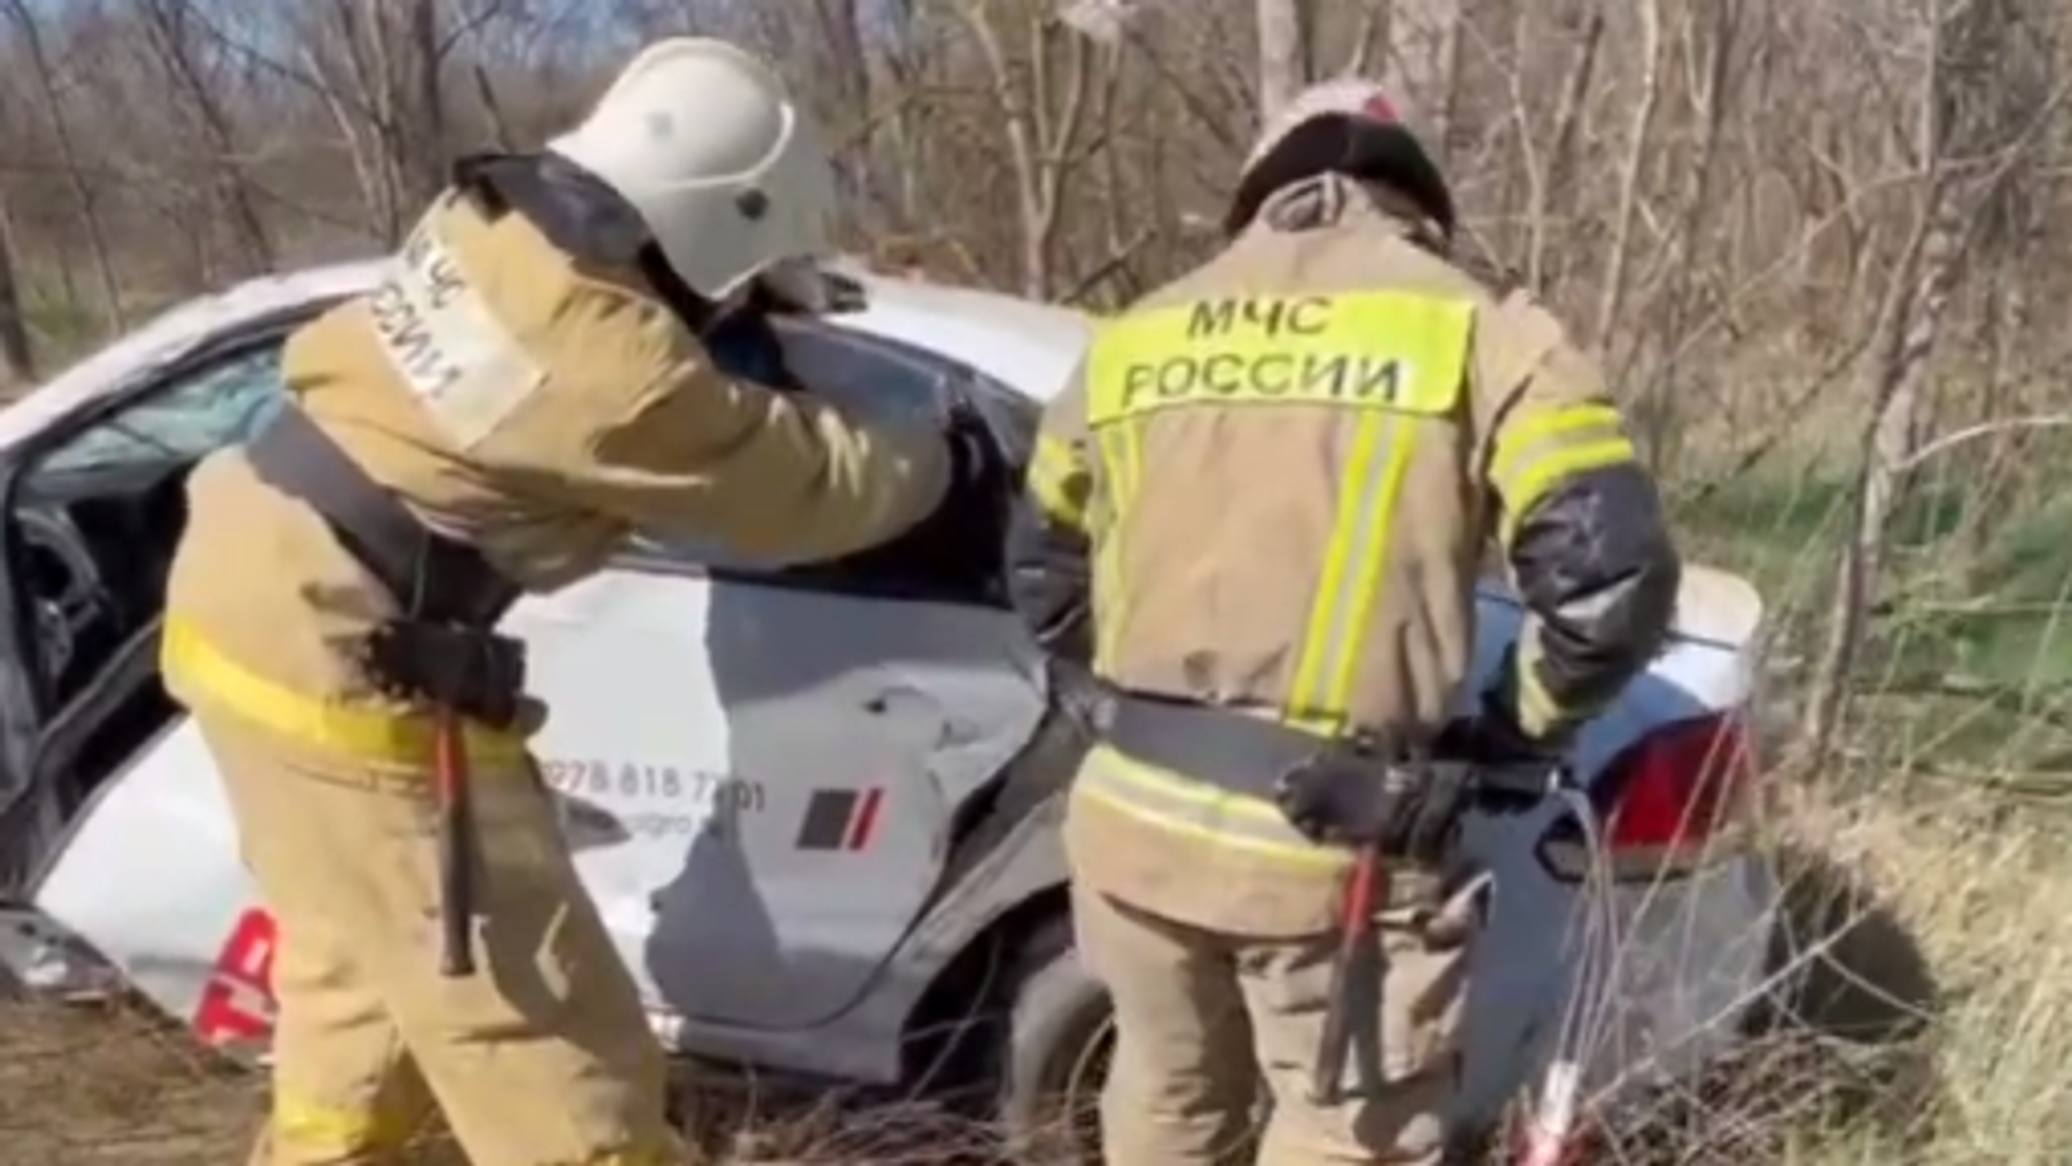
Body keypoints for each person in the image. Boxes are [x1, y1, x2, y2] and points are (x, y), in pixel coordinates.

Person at [160, 37, 985, 1166]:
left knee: (361, 963)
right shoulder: (620, 375)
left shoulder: (483, 224)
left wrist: (731, 300)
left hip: (245, 584)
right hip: (349, 658)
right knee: (544, 1037)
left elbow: (578, 334)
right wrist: (947, 462)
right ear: (717, 220)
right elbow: (799, 487)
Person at [1006, 80, 1682, 1165]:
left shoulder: (1130, 338)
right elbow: (1611, 583)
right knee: (1345, 1134)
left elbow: (1040, 572)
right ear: (1414, 200)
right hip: (1334, 847)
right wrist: (1506, 738)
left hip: (1130, 835)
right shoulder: (1480, 333)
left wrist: (1125, 713)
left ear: (1258, 195)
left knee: (1167, 1101)